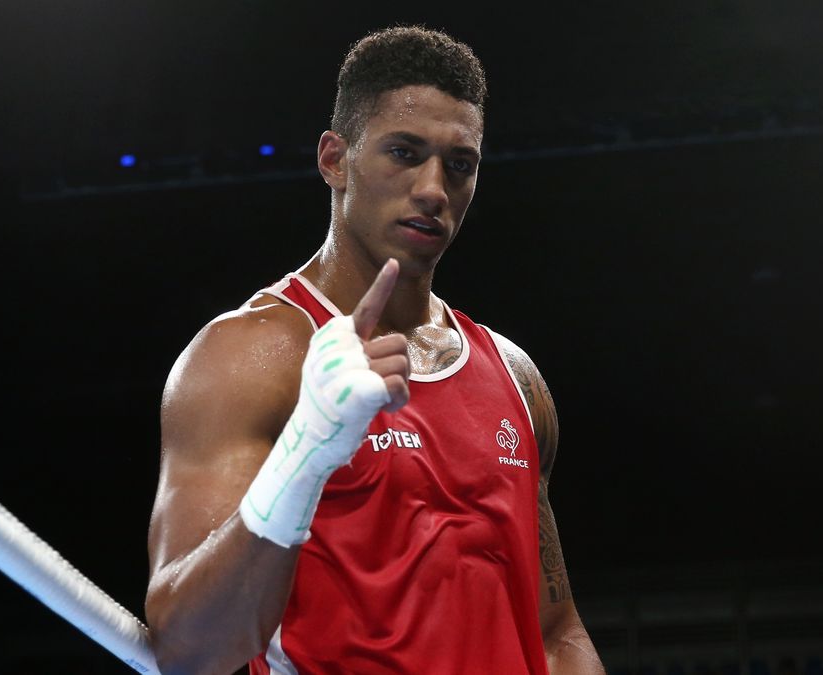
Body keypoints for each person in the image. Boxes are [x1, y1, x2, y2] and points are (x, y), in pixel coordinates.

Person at [145, 26, 604, 675]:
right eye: (404, 152)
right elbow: (187, 649)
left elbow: (556, 631)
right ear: (334, 158)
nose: (433, 189)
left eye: (460, 164)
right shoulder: (251, 357)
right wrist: (308, 447)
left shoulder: (516, 377)